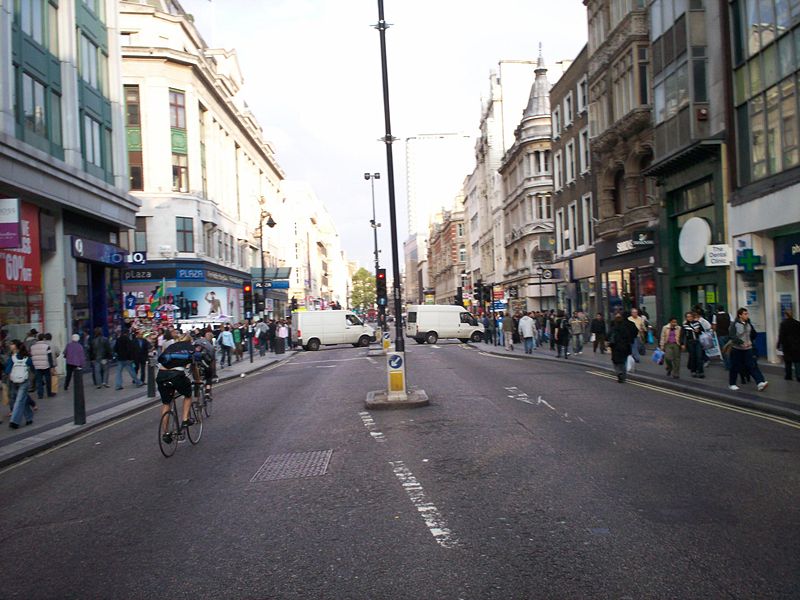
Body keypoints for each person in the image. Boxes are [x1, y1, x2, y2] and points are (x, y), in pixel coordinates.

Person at [157, 333, 204, 439]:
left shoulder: (171, 347)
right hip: (176, 375)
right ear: (190, 341)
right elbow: (194, 368)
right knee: (187, 394)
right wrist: (197, 380)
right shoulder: (190, 348)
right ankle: (185, 420)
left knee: (166, 403)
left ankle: (165, 434)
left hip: (161, 375)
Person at [728, 308, 769, 391]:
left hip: (748, 349)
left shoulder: (748, 323)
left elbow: (753, 333)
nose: (747, 315)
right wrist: (741, 343)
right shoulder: (734, 324)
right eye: (745, 314)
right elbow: (732, 336)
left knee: (752, 365)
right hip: (737, 349)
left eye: (747, 314)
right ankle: (732, 384)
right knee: (735, 367)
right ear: (740, 315)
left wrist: (751, 341)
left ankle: (760, 382)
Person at [6, 340, 34, 428]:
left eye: (12, 344)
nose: (10, 345)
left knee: (18, 401)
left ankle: (14, 421)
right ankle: (29, 417)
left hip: (15, 381)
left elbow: (7, 370)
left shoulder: (12, 358)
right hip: (24, 381)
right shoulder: (27, 358)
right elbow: (33, 368)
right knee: (22, 400)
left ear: (16, 346)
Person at [608, 314, 635, 383]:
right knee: (623, 362)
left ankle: (618, 372)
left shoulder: (613, 328)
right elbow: (630, 338)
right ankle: (623, 377)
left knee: (615, 362)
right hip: (624, 347)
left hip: (615, 347)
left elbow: (608, 336)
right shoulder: (626, 328)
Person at [777, 309, 800, 382]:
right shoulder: (797, 323)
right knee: (797, 361)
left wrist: (778, 344)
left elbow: (781, 335)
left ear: (785, 315)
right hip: (796, 345)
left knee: (788, 361)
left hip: (787, 345)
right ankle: (798, 375)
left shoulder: (783, 324)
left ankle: (788, 375)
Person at [30, 333, 56, 399]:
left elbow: (31, 356)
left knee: (39, 381)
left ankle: (40, 395)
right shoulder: (47, 346)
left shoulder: (32, 347)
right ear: (44, 338)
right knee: (48, 380)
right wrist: (52, 366)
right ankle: (49, 393)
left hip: (37, 366)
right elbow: (49, 357)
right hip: (46, 365)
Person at [681, 312, 705, 378]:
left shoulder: (697, 323)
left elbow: (703, 330)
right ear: (686, 318)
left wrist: (699, 331)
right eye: (688, 317)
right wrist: (683, 344)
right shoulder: (685, 325)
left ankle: (700, 371)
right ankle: (693, 371)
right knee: (693, 357)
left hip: (697, 341)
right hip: (690, 342)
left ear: (693, 317)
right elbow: (682, 335)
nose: (689, 318)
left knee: (699, 357)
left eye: (690, 316)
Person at [713, 305, 732, 370]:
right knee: (729, 349)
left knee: (723, 349)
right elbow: (731, 324)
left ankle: (727, 365)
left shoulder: (715, 316)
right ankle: (731, 363)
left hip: (720, 334)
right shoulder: (729, 314)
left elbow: (714, 326)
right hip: (728, 334)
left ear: (717, 310)